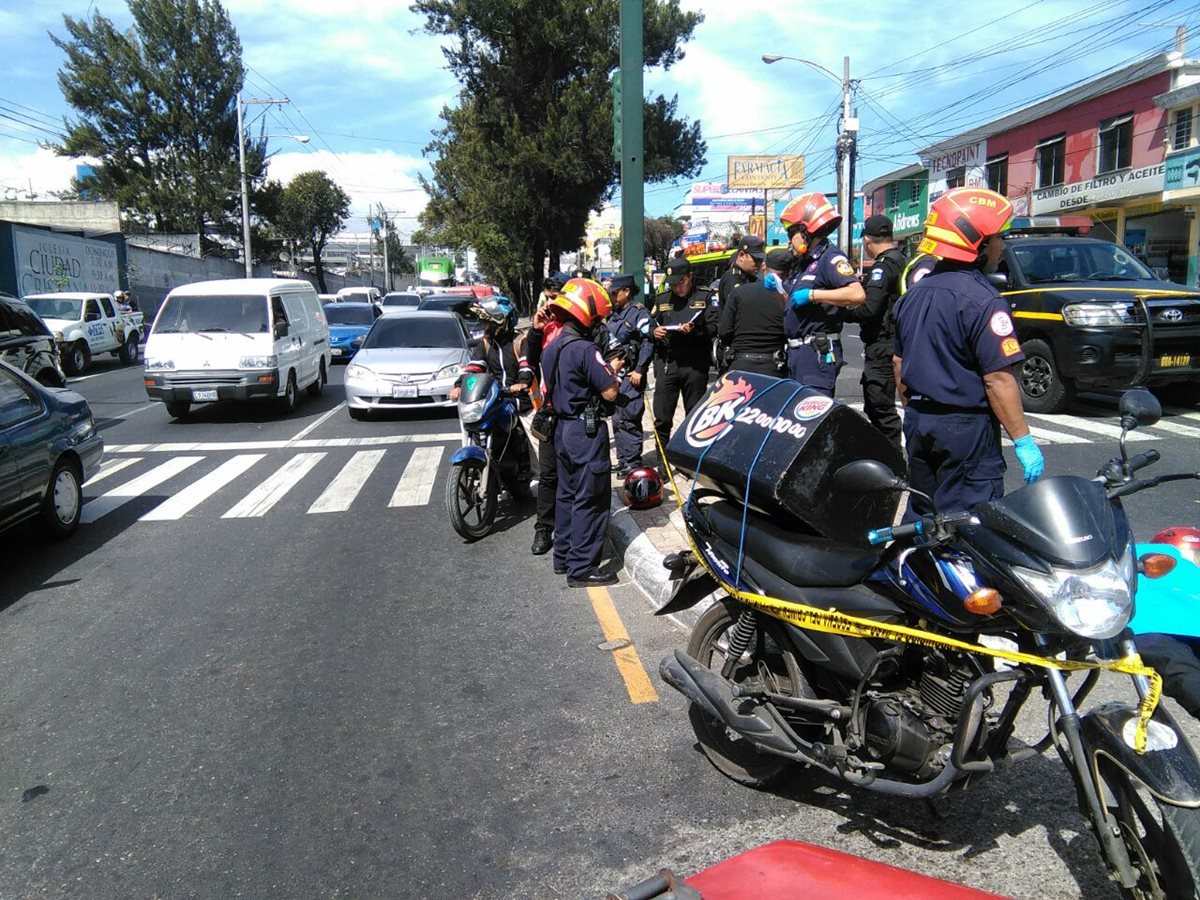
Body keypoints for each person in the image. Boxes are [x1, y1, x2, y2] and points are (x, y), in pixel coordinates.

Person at [891, 186, 1045, 518]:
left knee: (923, 520)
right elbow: (998, 381)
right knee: (970, 525)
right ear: (979, 245)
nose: (1002, 247)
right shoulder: (984, 300)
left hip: (920, 423)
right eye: (998, 239)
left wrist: (917, 412)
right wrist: (1023, 440)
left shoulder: (912, 296)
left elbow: (899, 364)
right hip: (965, 431)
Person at [539, 278, 622, 587]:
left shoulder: (553, 346)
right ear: (587, 314)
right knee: (591, 498)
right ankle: (582, 568)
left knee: (567, 494)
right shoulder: (586, 349)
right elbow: (611, 392)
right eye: (598, 318)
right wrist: (613, 369)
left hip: (561, 429)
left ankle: (563, 557)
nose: (600, 323)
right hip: (584, 432)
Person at [777, 192, 865, 397]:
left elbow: (856, 294)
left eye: (792, 234)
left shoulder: (830, 257)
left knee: (811, 414)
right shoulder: (806, 264)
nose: (790, 241)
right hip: (797, 354)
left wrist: (813, 295)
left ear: (805, 231)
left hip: (816, 353)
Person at [449, 304, 534, 497]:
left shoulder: (520, 341)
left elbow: (526, 366)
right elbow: (474, 367)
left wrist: (521, 383)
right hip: (494, 397)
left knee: (530, 436)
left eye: (488, 322)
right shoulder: (486, 344)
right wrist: (458, 385)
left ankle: (532, 471)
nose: (484, 326)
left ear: (502, 322)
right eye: (483, 322)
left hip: (517, 397)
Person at [846, 214, 906, 451]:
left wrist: (838, 313)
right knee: (880, 406)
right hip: (897, 342)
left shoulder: (883, 267)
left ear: (868, 241)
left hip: (883, 345)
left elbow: (869, 309)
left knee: (879, 406)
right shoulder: (903, 261)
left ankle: (892, 466)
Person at [650, 255, 713, 456]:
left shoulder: (705, 297)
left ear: (690, 277)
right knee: (662, 415)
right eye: (673, 284)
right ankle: (663, 459)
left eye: (681, 282)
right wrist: (654, 332)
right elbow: (651, 323)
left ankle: (691, 456)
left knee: (694, 414)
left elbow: (716, 326)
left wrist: (696, 329)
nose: (678, 288)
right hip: (668, 362)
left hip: (694, 364)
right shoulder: (662, 299)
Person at [604, 273, 654, 476]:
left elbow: (648, 342)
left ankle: (633, 462)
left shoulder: (639, 313)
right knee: (617, 419)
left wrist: (640, 369)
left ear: (626, 291)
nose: (613, 297)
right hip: (615, 375)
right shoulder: (614, 314)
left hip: (631, 375)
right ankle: (623, 459)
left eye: (615, 293)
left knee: (630, 418)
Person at [718, 247, 790, 378]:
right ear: (789, 273)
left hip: (740, 366)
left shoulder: (739, 292)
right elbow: (791, 330)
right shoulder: (788, 295)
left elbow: (724, 331)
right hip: (774, 367)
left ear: (764, 266)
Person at [714, 236, 765, 372]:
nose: (759, 265)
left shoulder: (751, 278)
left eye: (761, 261)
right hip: (736, 347)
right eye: (755, 260)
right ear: (742, 255)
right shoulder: (733, 278)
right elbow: (741, 312)